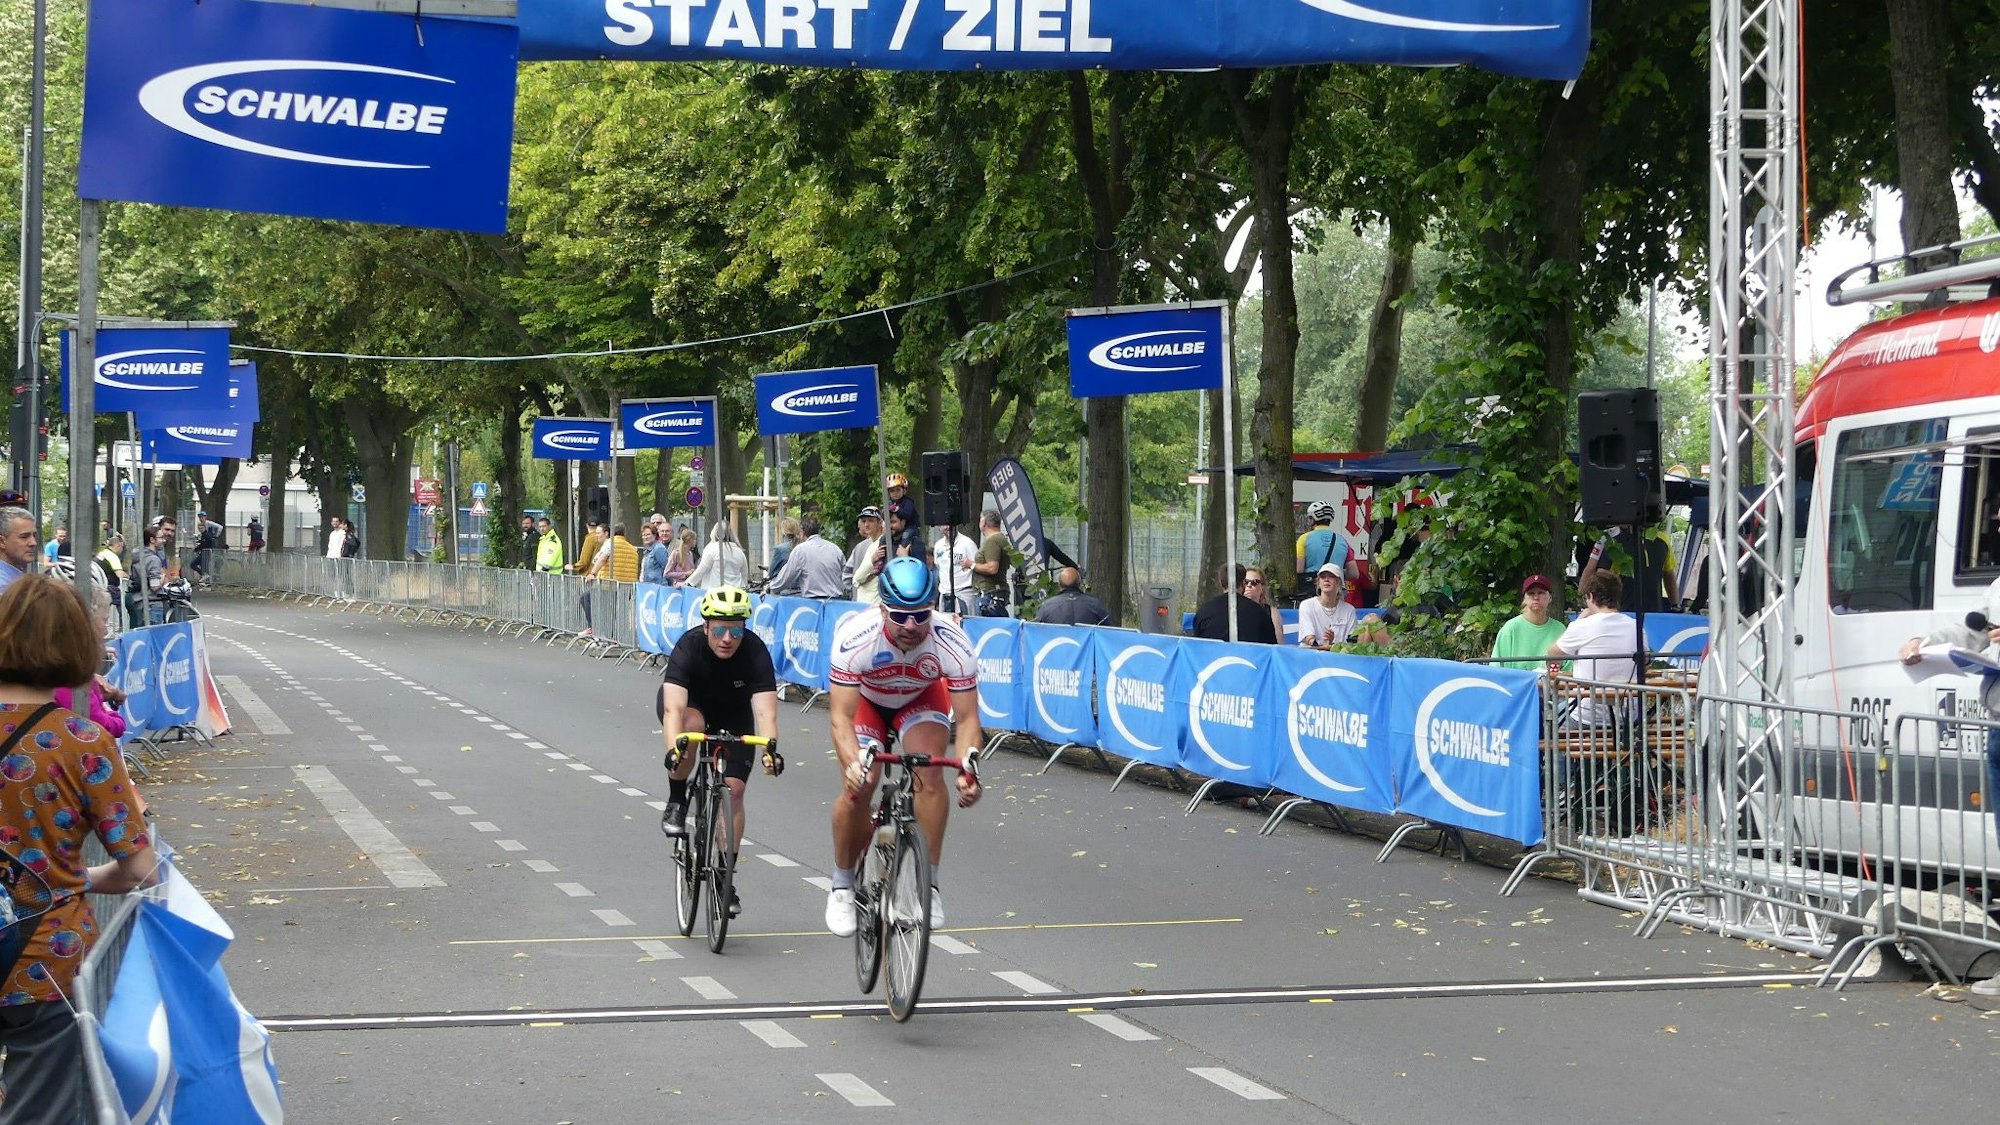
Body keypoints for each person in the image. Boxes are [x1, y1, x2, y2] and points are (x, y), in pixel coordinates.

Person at [0, 576, 160, 1123]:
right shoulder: (83, 742)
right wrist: (76, 878)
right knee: (41, 1107)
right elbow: (142, 868)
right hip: (44, 957)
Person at [823, 558, 983, 935]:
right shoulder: (855, 638)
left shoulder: (953, 643)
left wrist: (969, 768)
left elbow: (969, 720)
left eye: (920, 615)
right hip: (867, 703)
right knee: (862, 783)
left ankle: (928, 885)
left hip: (920, 699)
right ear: (882, 610)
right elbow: (840, 719)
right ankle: (843, 884)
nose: (910, 626)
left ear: (933, 608)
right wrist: (852, 766)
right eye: (898, 616)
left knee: (930, 774)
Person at [658, 587, 780, 917]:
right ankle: (677, 799)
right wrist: (673, 749)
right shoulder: (689, 646)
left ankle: (725, 878)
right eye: (720, 630)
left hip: (734, 714)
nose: (728, 638)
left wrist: (771, 750)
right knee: (690, 730)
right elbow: (673, 711)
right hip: (691, 708)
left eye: (736, 630)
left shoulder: (754, 651)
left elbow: (766, 713)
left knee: (735, 791)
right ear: (706, 627)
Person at [1547, 571, 1641, 726]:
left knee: (1548, 718)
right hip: (1628, 717)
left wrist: (1579, 620)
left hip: (1586, 716)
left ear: (1590, 596)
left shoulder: (1583, 626)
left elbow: (1552, 654)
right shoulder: (1636, 627)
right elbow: (1644, 663)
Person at [1578, 524, 1679, 615]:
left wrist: (1675, 605)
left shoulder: (1662, 539)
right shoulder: (1607, 538)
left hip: (1638, 610)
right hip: (1629, 610)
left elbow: (1669, 575)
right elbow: (1594, 571)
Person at [1492, 574, 1568, 671]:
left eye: (1541, 593)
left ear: (1550, 598)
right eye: (1531, 593)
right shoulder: (1510, 629)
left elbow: (1568, 669)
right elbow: (1497, 669)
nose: (1536, 597)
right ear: (1524, 599)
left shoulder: (1560, 629)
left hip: (1552, 685)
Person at [1189, 563, 1279, 644]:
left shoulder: (1204, 611)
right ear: (1243, 583)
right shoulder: (1259, 612)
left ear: (1221, 583)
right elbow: (1271, 648)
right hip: (1248, 660)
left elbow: (1197, 647)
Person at [766, 516, 848, 598]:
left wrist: (771, 587)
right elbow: (845, 574)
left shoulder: (800, 550)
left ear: (802, 532)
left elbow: (786, 577)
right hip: (837, 603)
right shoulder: (835, 548)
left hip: (813, 603)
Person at [1294, 501, 1352, 598]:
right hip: (1336, 592)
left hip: (1312, 592)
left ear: (1313, 519)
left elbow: (1299, 569)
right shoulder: (1343, 541)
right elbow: (1354, 573)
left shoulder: (1303, 539)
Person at [1298, 563, 1360, 648]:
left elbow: (1352, 644)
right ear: (1318, 583)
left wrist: (1331, 644)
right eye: (1323, 577)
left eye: (1331, 576)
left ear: (1339, 582)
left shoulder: (1349, 610)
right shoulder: (1306, 605)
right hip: (1313, 656)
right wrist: (1326, 645)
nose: (1326, 579)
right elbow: (1309, 640)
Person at [969, 509, 1013, 617]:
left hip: (989, 593)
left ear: (984, 522)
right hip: (996, 592)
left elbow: (992, 568)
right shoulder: (1001, 538)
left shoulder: (992, 541)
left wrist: (971, 564)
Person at [1034, 566, 1111, 626]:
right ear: (1079, 584)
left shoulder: (1047, 607)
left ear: (1059, 585)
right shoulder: (1095, 605)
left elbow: (1034, 632)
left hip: (1057, 645)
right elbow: (1108, 631)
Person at [683, 521, 749, 589]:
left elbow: (702, 570)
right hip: (735, 593)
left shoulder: (711, 548)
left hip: (715, 593)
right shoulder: (740, 552)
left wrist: (687, 583)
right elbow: (744, 575)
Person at [931, 524, 978, 614]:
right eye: (943, 525)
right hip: (944, 594)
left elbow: (977, 566)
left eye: (949, 524)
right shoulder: (938, 545)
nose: (947, 527)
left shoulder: (967, 543)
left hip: (963, 594)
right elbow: (939, 567)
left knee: (964, 625)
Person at [848, 506, 887, 604]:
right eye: (864, 521)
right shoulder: (872, 544)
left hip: (874, 604)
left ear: (880, 523)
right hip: (867, 603)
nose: (866, 524)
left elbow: (858, 578)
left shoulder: (880, 544)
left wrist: (871, 561)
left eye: (871, 521)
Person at [1243, 565, 1287, 642]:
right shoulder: (1233, 611)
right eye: (1245, 582)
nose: (1249, 585)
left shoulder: (1271, 612)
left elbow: (1279, 643)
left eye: (1254, 582)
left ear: (1262, 587)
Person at [0, 507, 38, 595]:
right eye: (24, 536)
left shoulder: (13, 580)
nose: (33, 543)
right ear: (2, 542)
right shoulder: (4, 588)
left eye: (34, 536)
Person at [190, 511, 224, 585]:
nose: (201, 518)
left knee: (204, 563)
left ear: (205, 517)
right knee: (204, 564)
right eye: (199, 517)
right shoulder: (203, 529)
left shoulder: (208, 523)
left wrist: (215, 536)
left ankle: (208, 576)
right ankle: (206, 578)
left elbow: (220, 527)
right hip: (206, 545)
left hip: (209, 546)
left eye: (202, 517)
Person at [768, 517, 801, 585]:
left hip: (785, 590)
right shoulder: (805, 547)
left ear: (784, 531)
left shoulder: (780, 549)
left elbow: (771, 573)